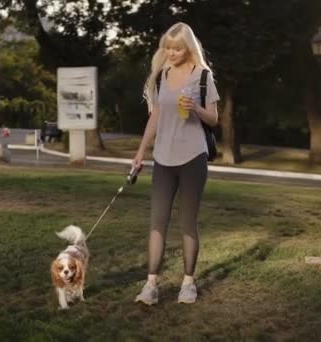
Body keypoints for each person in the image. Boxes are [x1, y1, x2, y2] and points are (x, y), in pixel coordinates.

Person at [132, 22, 220, 305]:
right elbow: (155, 117)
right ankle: (151, 285)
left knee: (186, 223)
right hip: (163, 159)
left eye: (177, 48)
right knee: (157, 222)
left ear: (188, 48)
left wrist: (196, 108)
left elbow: (214, 119)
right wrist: (141, 151)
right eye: (167, 47)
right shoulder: (161, 77)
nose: (171, 52)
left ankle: (188, 283)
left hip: (193, 157)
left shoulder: (202, 76)